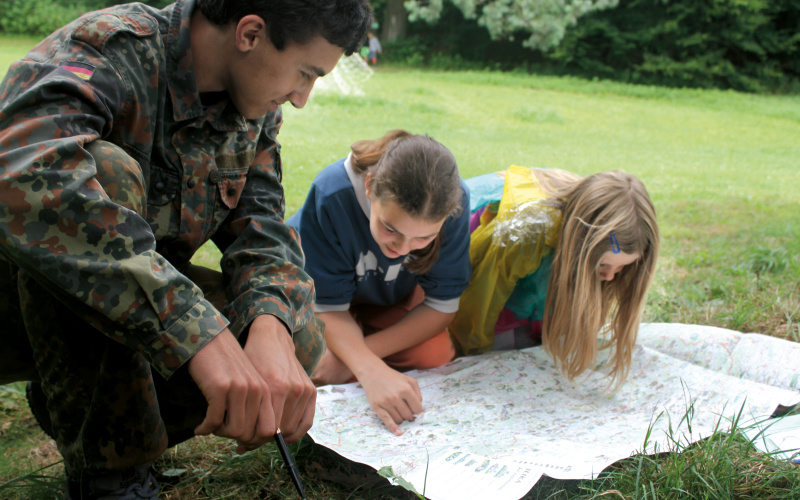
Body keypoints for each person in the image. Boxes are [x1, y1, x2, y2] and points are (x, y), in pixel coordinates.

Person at [0, 0, 372, 498]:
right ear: (250, 33)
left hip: (109, 325)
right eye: (306, 73)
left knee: (295, 339)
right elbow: (22, 182)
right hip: (13, 304)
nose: (302, 97)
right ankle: (110, 473)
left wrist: (270, 322)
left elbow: (261, 227)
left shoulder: (251, 106)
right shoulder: (111, 51)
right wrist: (194, 328)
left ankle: (83, 405)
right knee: (103, 171)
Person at [287, 130, 471, 435]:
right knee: (312, 361)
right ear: (370, 186)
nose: (401, 248)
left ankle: (359, 354)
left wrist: (358, 360)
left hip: (384, 297)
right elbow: (327, 307)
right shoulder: (333, 193)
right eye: (390, 228)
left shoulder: (455, 201)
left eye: (424, 238)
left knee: (432, 355)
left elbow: (442, 305)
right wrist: (368, 370)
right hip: (321, 300)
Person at [450, 166, 659, 387]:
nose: (609, 277)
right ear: (577, 241)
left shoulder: (591, 220)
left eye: (621, 269)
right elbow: (479, 304)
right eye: (603, 265)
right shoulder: (527, 232)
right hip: (472, 274)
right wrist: (475, 362)